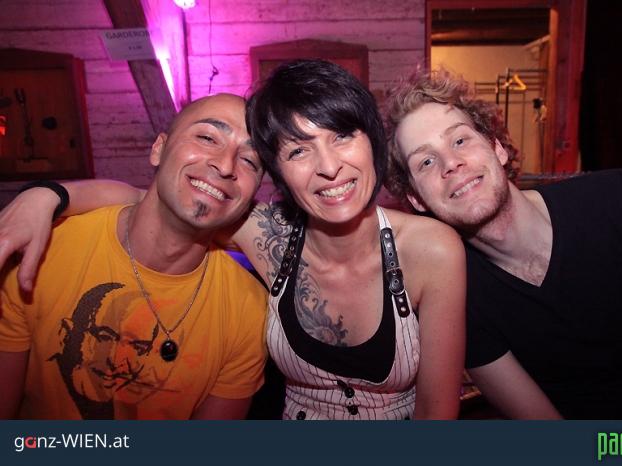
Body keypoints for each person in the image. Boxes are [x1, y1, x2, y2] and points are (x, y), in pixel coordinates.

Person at [0, 60, 466, 420]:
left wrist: (46, 195)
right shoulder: (267, 236)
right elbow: (156, 197)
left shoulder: (430, 250)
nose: (328, 167)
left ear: (373, 142)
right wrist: (47, 195)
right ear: (280, 175)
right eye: (298, 150)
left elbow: (437, 416)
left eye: (343, 136)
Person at [381, 69, 622, 419]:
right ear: (417, 199)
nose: (451, 164)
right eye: (426, 161)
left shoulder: (620, 202)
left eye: (459, 140)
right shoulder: (456, 291)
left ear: (497, 148)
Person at [0, 93, 268, 419]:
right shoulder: (44, 252)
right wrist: (44, 194)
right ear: (158, 149)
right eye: (207, 138)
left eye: (250, 161)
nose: (226, 166)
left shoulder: (248, 309)